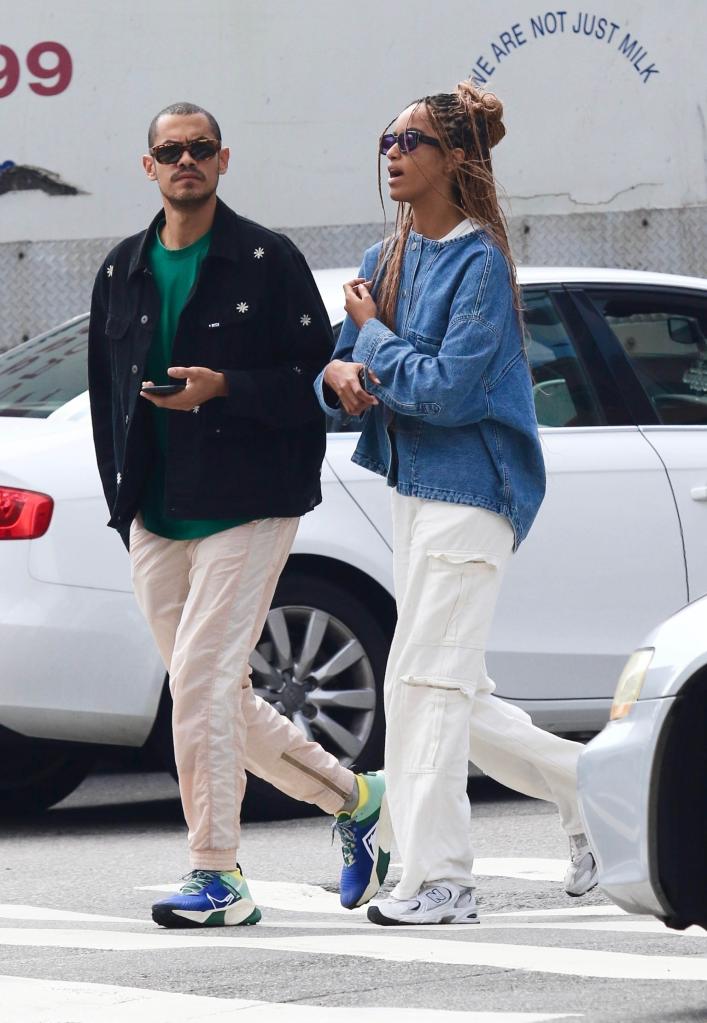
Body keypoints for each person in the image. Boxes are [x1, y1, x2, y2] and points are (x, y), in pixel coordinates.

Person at [87, 101, 390, 928]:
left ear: (224, 161)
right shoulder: (120, 268)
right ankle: (359, 799)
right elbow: (108, 394)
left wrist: (223, 387)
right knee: (209, 691)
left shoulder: (266, 259)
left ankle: (217, 875)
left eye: (201, 149)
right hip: (157, 510)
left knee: (201, 683)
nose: (186, 160)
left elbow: (315, 373)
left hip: (249, 503)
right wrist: (124, 507)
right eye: (170, 150)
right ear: (148, 167)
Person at [315, 82, 598, 926]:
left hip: (476, 488)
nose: (392, 154)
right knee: (450, 691)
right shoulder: (384, 256)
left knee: (425, 685)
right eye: (387, 139)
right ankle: (601, 796)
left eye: (410, 141)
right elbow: (335, 373)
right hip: (413, 490)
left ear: (457, 160)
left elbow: (447, 393)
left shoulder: (481, 262)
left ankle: (442, 880)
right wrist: (344, 378)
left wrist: (372, 344)